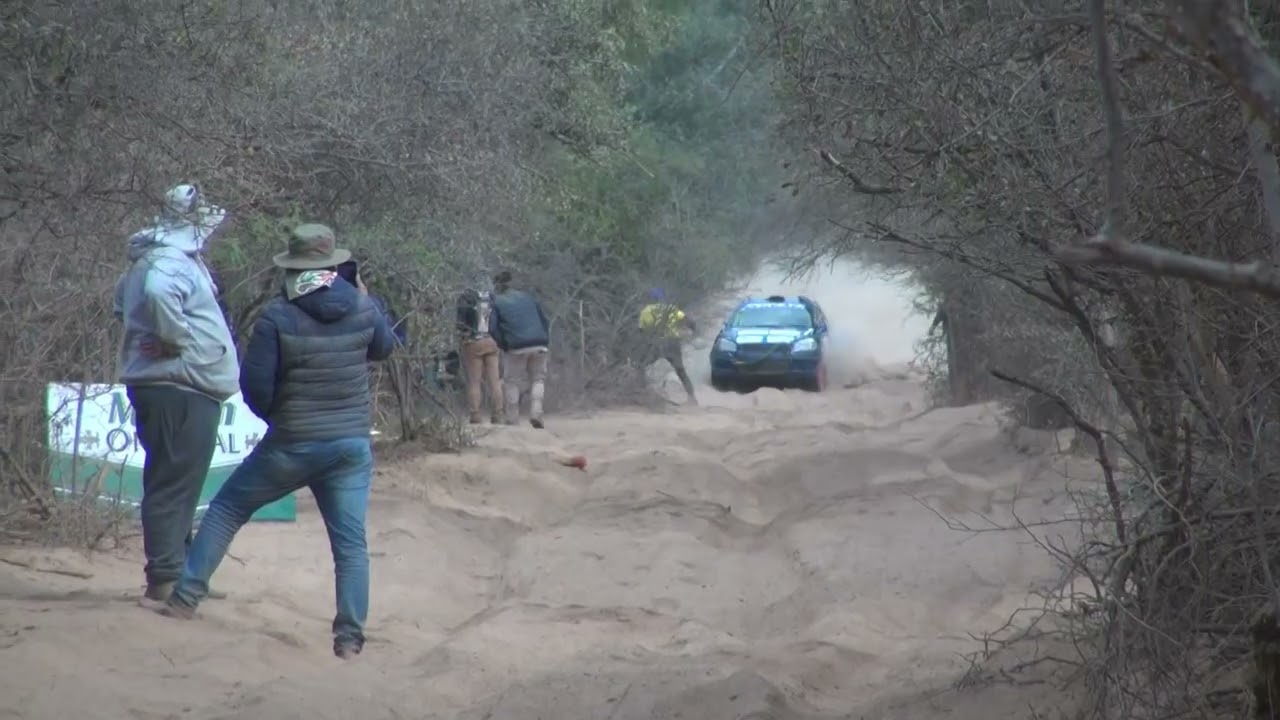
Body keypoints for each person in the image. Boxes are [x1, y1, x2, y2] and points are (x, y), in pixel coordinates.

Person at [157, 223, 396, 660]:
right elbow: (383, 348)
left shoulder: (278, 316)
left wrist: (281, 418)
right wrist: (364, 296)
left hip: (293, 442)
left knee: (228, 509)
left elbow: (254, 387)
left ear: (293, 267)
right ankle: (349, 640)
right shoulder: (364, 307)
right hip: (349, 445)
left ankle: (185, 598)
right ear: (334, 264)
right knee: (350, 545)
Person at [113, 182, 239, 603]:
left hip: (172, 383)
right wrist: (174, 339)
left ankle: (180, 572)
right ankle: (166, 577)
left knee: (177, 479)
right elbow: (156, 293)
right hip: (178, 384)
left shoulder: (150, 259)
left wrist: (152, 336)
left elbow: (121, 305)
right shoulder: (168, 261)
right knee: (173, 481)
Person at [488, 270, 551, 429]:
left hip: (516, 346)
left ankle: (512, 417)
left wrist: (504, 344)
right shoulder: (528, 297)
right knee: (538, 379)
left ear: (496, 286)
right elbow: (544, 321)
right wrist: (544, 339)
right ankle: (536, 413)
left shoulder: (497, 302)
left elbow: (492, 329)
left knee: (512, 381)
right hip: (540, 342)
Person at [638, 287, 698, 405]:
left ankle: (641, 391)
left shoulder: (646, 311)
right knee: (680, 371)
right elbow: (689, 321)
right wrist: (694, 331)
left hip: (655, 343)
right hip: (672, 343)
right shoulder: (672, 309)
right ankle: (692, 398)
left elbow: (641, 330)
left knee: (641, 366)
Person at [455, 284, 503, 424]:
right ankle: (498, 414)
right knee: (494, 381)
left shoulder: (466, 297)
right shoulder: (492, 298)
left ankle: (475, 415)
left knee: (474, 381)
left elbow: (460, 324)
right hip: (492, 342)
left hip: (473, 342)